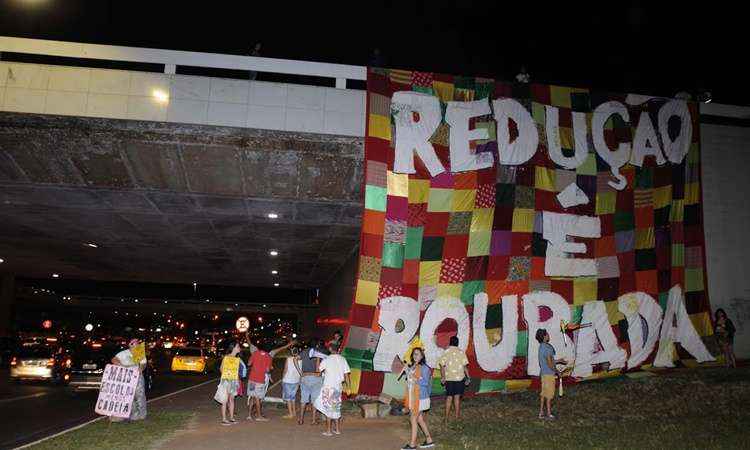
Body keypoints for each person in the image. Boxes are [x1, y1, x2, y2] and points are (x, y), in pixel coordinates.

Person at [246, 337, 294, 421]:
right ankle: (259, 415)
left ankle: (249, 415)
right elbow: (268, 369)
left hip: (252, 379)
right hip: (261, 379)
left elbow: (249, 363)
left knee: (252, 396)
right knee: (258, 397)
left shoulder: (254, 352)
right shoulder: (269, 355)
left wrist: (246, 335)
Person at [401, 347, 435, 450]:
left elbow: (425, 383)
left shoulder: (425, 368)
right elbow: (410, 379)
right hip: (414, 397)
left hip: (421, 398)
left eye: (418, 354)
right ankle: (429, 440)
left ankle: (412, 445)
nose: (416, 356)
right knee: (419, 419)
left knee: (413, 419)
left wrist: (415, 378)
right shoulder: (414, 366)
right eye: (414, 354)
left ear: (422, 356)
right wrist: (407, 371)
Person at [314, 342, 350, 437]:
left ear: (330, 349)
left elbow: (318, 371)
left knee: (328, 410)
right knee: (335, 408)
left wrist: (318, 359)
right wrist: (349, 387)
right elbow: (346, 375)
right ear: (338, 349)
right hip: (338, 388)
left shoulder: (327, 360)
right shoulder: (343, 359)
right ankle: (337, 429)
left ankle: (328, 431)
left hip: (328, 388)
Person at [110, 338, 148, 422]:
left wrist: (140, 369)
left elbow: (143, 364)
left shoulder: (139, 353)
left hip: (137, 377)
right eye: (133, 343)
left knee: (140, 395)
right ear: (129, 344)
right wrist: (121, 365)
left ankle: (142, 415)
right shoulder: (123, 353)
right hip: (126, 378)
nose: (135, 344)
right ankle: (133, 415)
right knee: (129, 396)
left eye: (137, 343)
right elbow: (114, 360)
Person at [437, 336, 469, 422]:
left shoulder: (446, 352)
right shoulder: (461, 352)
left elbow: (441, 365)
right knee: (457, 398)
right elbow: (465, 366)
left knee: (449, 398)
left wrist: (443, 377)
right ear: (457, 343)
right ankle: (457, 417)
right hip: (459, 379)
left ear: (450, 342)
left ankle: (446, 418)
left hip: (449, 379)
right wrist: (468, 377)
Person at [298, 339, 328, 425]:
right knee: (314, 400)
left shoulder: (304, 352)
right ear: (317, 345)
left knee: (303, 400)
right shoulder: (318, 353)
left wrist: (300, 372)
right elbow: (318, 369)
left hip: (305, 377)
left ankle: (301, 419)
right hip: (315, 378)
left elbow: (295, 359)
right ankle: (313, 420)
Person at [537, 329, 565, 419]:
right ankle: (549, 414)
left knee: (543, 393)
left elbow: (548, 361)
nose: (549, 335)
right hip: (549, 375)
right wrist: (557, 372)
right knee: (549, 395)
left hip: (543, 374)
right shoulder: (548, 348)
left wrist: (559, 360)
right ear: (544, 336)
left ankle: (541, 412)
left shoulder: (541, 347)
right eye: (547, 334)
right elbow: (550, 363)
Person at [218, 340, 242, 425]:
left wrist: (237, 381)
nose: (239, 348)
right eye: (238, 347)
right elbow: (221, 369)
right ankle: (224, 419)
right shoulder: (226, 357)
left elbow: (236, 372)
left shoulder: (236, 359)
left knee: (232, 399)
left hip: (233, 381)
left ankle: (231, 418)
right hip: (226, 381)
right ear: (233, 348)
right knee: (225, 400)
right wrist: (226, 376)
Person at [282, 346, 302, 419]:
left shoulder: (289, 359)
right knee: (293, 397)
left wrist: (283, 377)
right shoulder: (300, 360)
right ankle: (293, 412)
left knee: (288, 398)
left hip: (288, 380)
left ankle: (290, 413)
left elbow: (285, 370)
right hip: (296, 380)